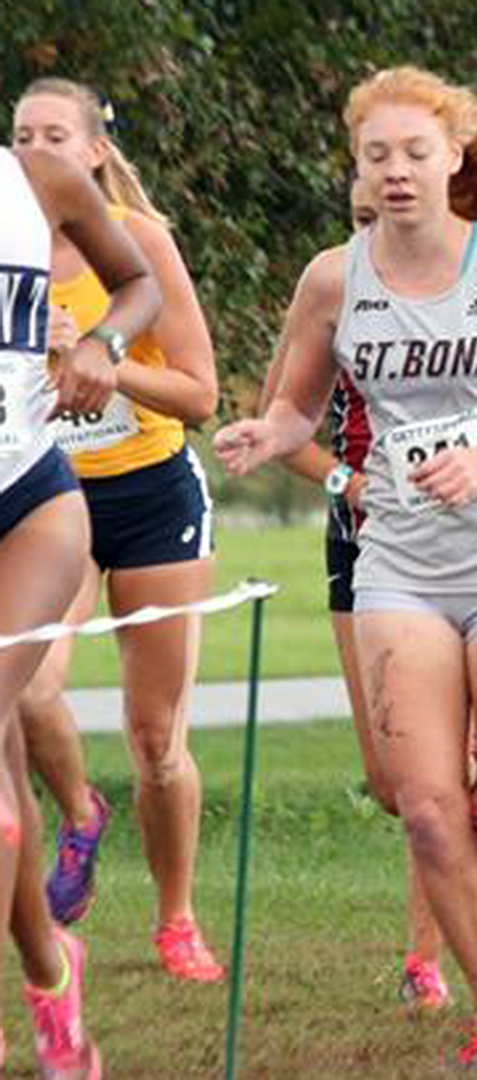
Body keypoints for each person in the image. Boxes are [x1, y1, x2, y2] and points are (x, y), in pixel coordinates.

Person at [213, 66, 477, 1070]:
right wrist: (266, 435)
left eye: (416, 153)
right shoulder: (333, 279)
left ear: (454, 158)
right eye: (379, 155)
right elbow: (298, 402)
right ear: (358, 167)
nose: (398, 171)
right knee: (425, 807)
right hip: (399, 564)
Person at [10, 79, 224, 981]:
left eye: (54, 136)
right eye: (22, 134)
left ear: (94, 152)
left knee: (155, 738)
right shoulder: (10, 236)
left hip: (148, 497)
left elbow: (203, 395)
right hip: (41, 497)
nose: (35, 150)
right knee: (25, 685)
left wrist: (101, 360)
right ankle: (78, 812)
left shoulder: (139, 241)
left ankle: (176, 918)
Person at [257, 179, 451, 1008]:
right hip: (360, 539)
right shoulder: (333, 286)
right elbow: (281, 424)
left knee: (432, 773)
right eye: (362, 216)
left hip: (463, 540)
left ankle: (427, 958)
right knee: (387, 775)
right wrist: (348, 480)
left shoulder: (468, 285)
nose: (378, 230)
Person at [3, 131, 161, 1080]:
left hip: (28, 499)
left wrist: (102, 340)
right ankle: (50, 971)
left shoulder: (39, 179)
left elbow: (135, 277)